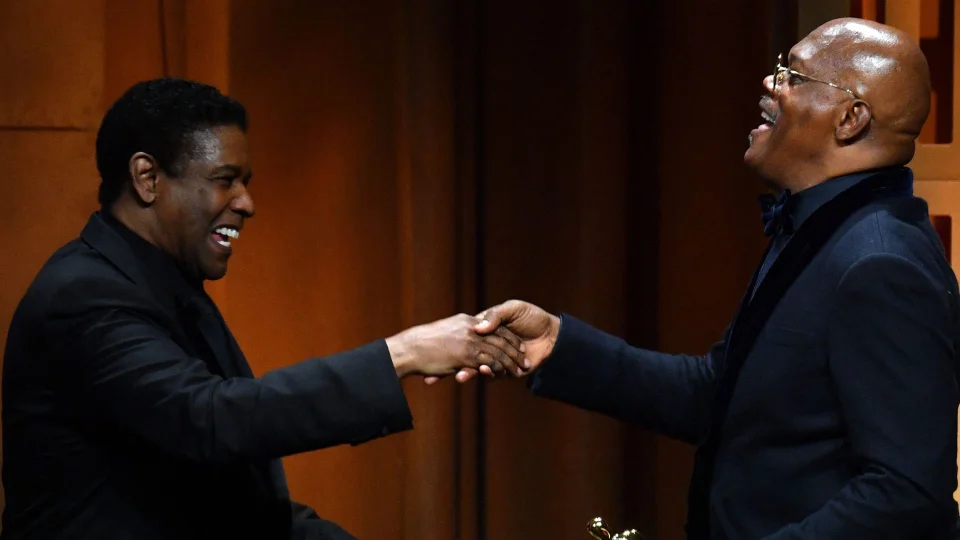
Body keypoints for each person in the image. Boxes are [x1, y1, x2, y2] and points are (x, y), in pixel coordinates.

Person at [457, 17, 960, 539]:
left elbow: (906, 493)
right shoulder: (822, 230)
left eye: (793, 74)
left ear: (850, 119)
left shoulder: (881, 264)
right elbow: (718, 394)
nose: (770, 83)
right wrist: (558, 345)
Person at [1, 79, 525, 540]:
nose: (247, 202)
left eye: (245, 181)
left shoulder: (165, 284)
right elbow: (212, 420)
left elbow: (223, 495)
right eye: (225, 179)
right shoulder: (84, 296)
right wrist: (402, 355)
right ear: (147, 178)